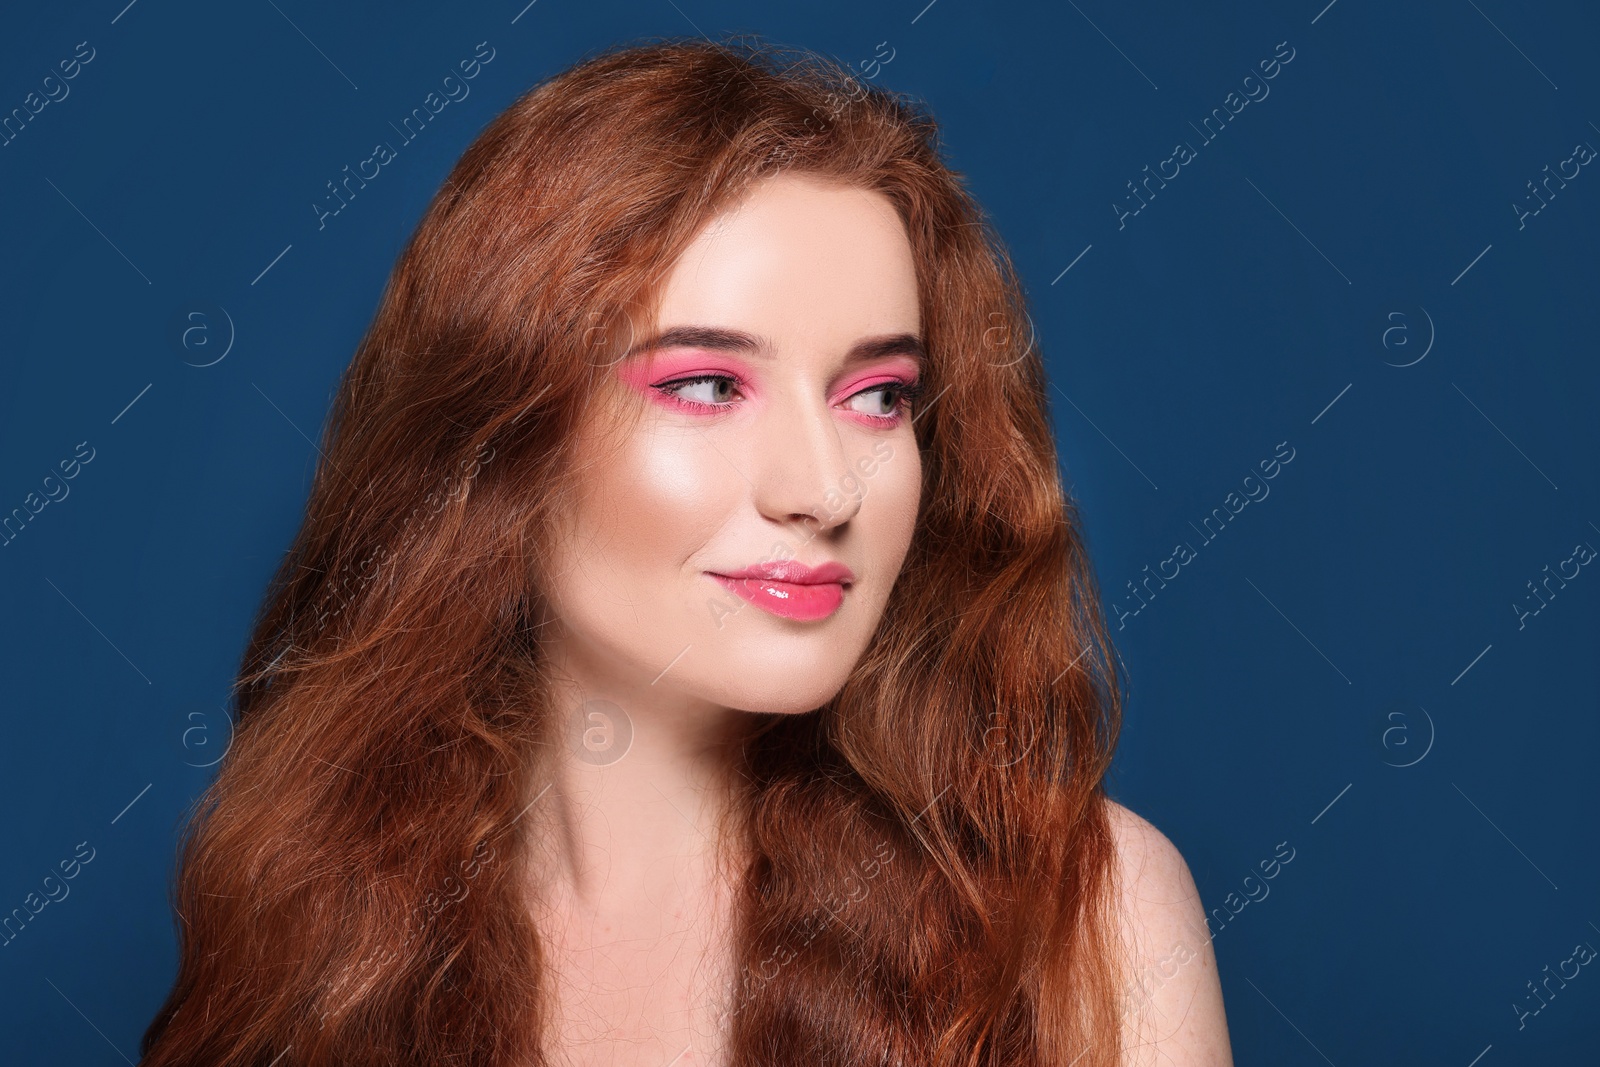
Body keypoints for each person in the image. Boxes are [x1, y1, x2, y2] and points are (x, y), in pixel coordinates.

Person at [139, 35, 1230, 1067]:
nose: (819, 488)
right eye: (706, 384)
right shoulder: (311, 926)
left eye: (878, 396)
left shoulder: (1087, 918)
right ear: (497, 440)